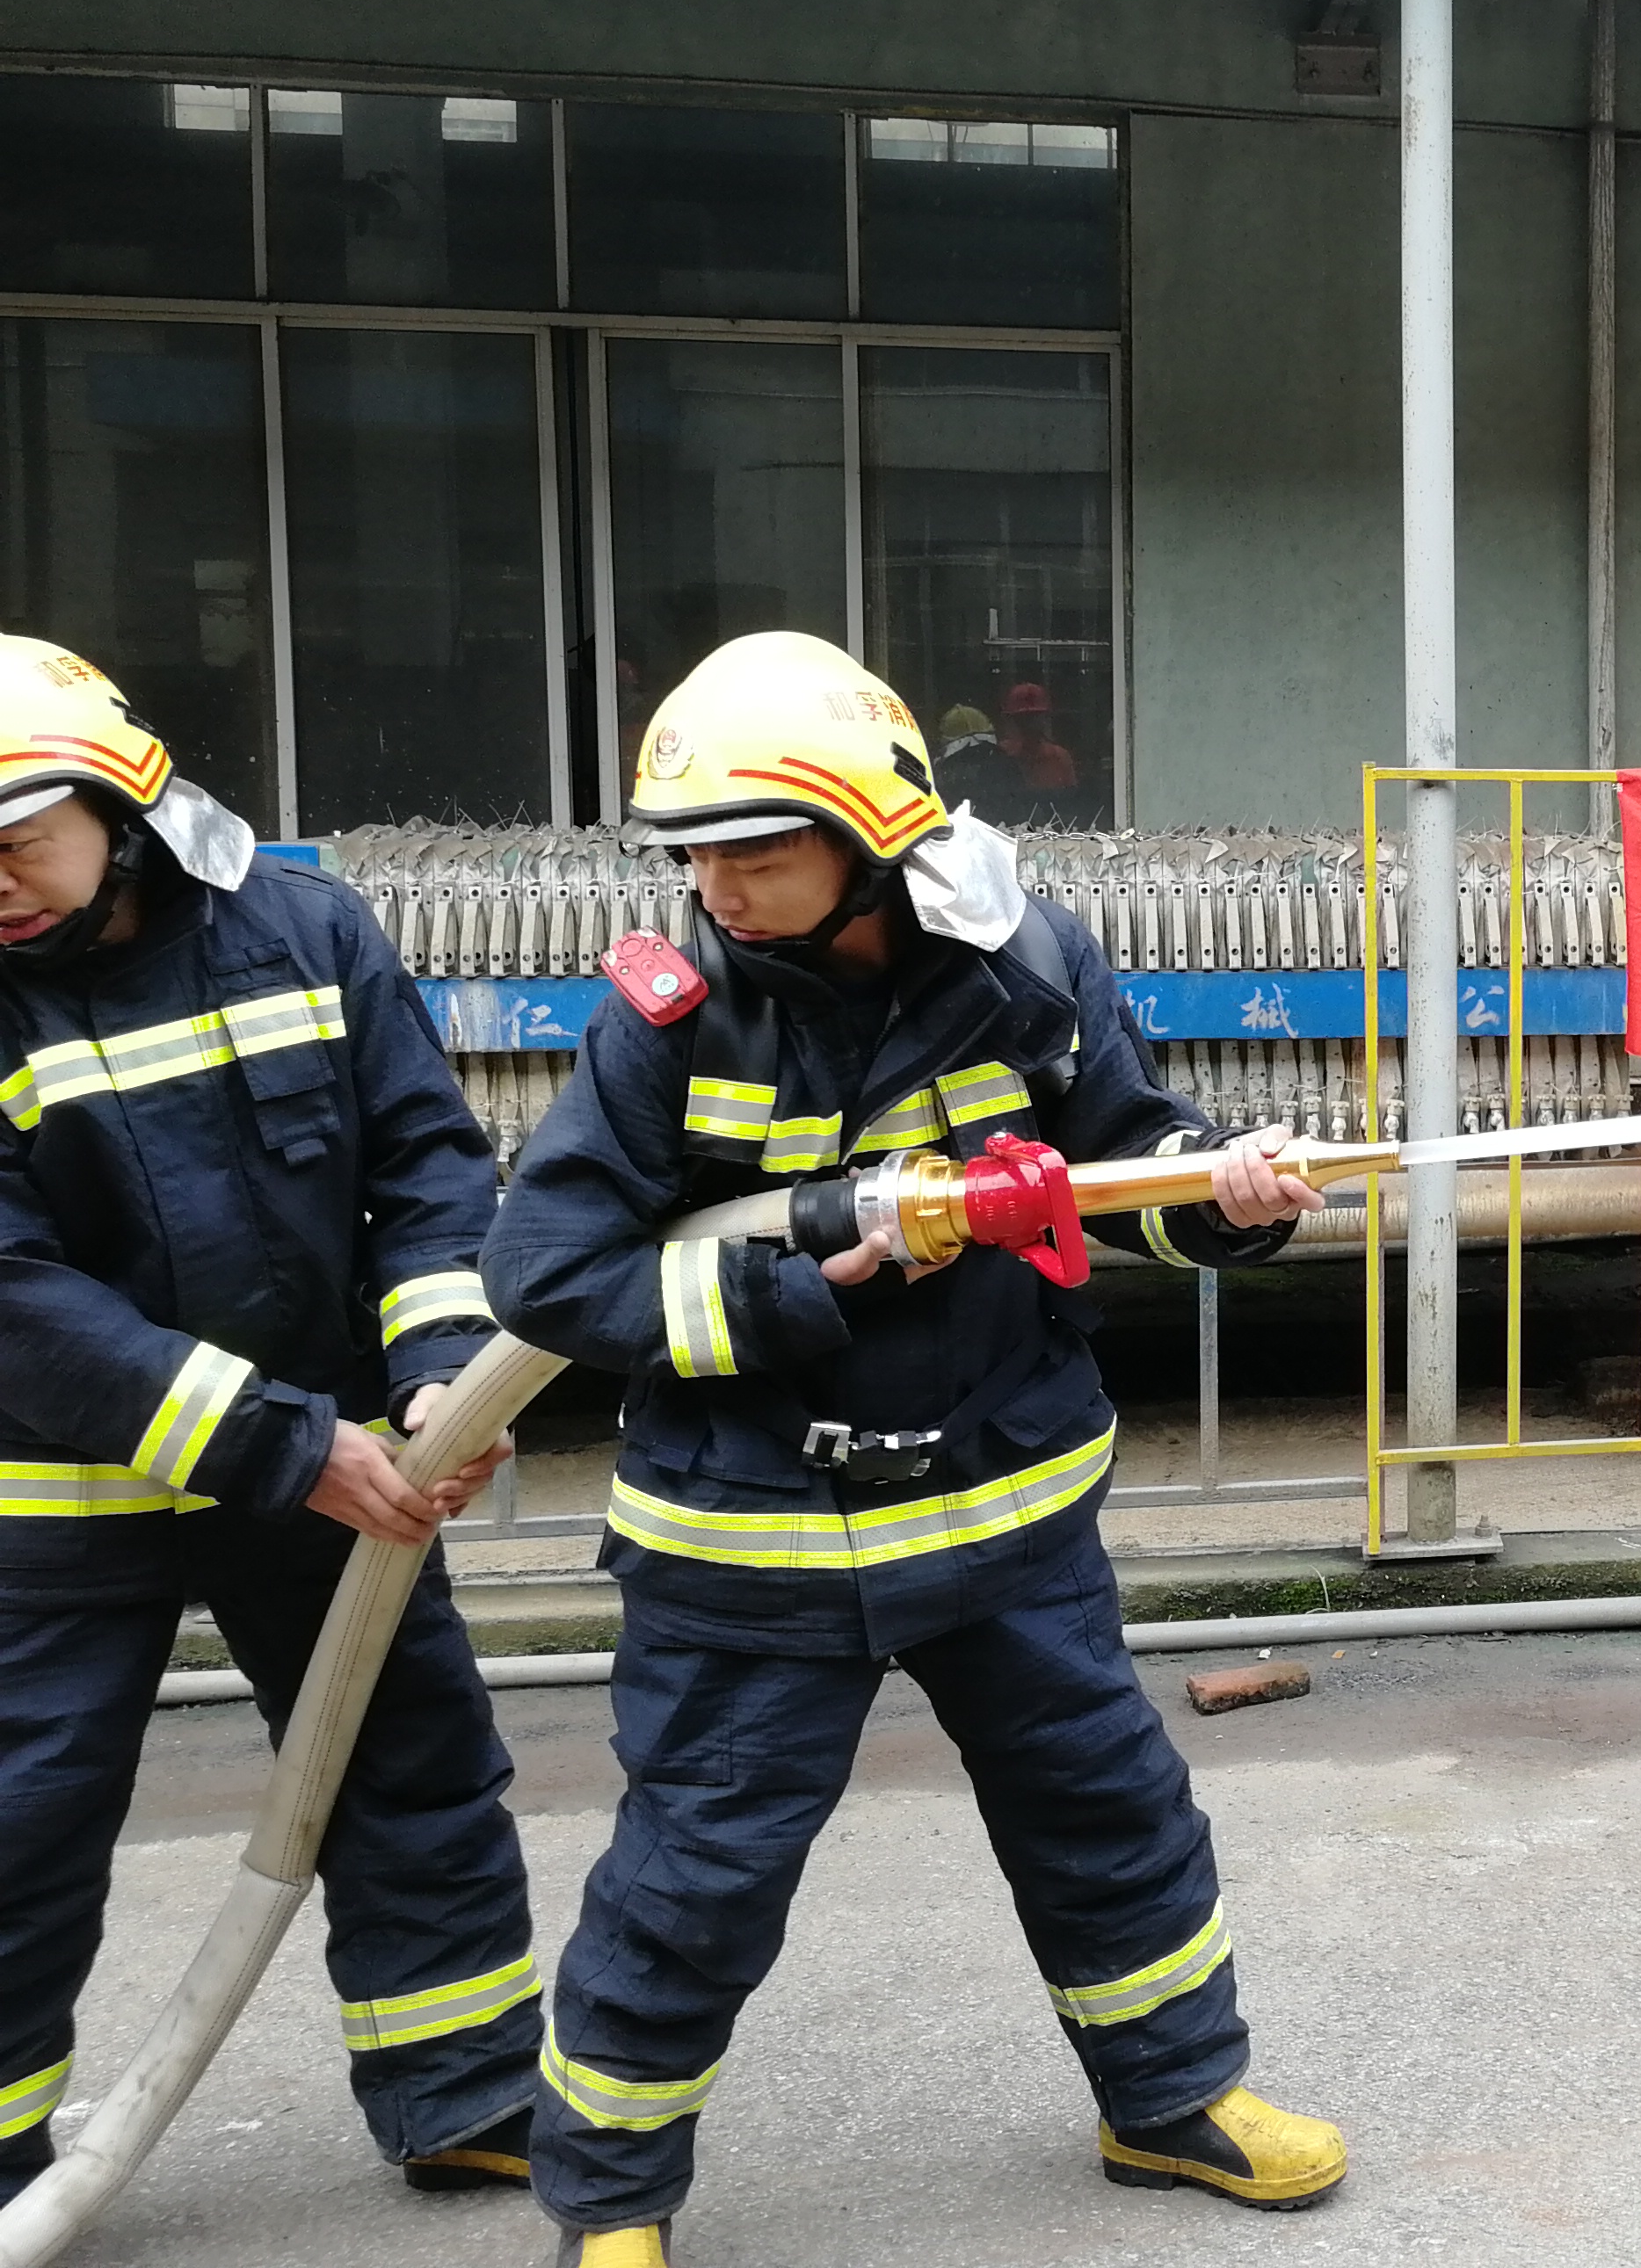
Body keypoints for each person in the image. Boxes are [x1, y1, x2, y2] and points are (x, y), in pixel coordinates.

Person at [483, 632, 1339, 2268]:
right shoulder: (669, 1021)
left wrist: (1223, 1189)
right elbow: (546, 1272)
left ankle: (1171, 2100)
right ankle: (610, 2203)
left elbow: (1120, 1161)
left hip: (1001, 1508)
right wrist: (791, 1291)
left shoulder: (1025, 964)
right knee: (694, 1881)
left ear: (870, 835)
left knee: (1111, 1817)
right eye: (693, 856)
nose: (716, 888)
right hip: (755, 1543)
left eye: (754, 851)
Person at [0, 634, 539, 2209]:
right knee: (19, 1822)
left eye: (16, 842)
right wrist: (288, 1442)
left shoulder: (303, 931)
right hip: (66, 1502)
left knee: (410, 1767)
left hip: (336, 1469)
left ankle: (466, 2093)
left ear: (120, 808)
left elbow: (423, 1165)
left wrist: (443, 1370)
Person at [995, 681, 1079, 800]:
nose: (1029, 725)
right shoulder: (999, 757)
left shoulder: (1060, 757)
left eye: (1034, 718)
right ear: (1010, 721)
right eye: (1022, 719)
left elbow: (1072, 803)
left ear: (1045, 719)